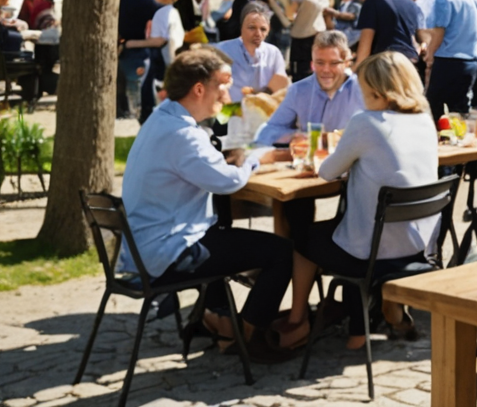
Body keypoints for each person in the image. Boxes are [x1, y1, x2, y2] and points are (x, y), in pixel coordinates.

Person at [122, 47, 305, 362]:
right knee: (281, 252)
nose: (228, 91)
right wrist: (254, 159)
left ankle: (219, 321)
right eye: (223, 83)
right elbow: (230, 181)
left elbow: (204, 169)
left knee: (223, 231)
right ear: (198, 89)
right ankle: (248, 336)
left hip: (144, 247)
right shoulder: (183, 134)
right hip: (168, 253)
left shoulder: (163, 117)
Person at [279, 52, 440, 349]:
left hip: (369, 254)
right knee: (352, 222)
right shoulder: (424, 121)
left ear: (378, 92)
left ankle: (298, 319)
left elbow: (327, 172)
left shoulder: (366, 122)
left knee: (304, 238)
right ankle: (368, 319)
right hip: (418, 248)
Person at [256, 30, 364, 146]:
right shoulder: (298, 90)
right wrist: (295, 136)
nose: (326, 70)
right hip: (307, 159)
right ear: (312, 63)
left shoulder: (364, 90)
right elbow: (267, 131)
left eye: (333, 63)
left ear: (346, 63)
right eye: (320, 63)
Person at [420, 0, 477, 121]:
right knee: (460, 109)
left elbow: (439, 31)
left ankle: (439, 141)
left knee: (434, 107)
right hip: (471, 60)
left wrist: (430, 53)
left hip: (447, 60)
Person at [353, 0, 421, 67]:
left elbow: (366, 40)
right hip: (408, 61)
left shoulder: (373, 1)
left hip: (383, 63)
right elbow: (416, 35)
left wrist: (356, 69)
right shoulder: (410, 2)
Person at [223, 2, 289, 102]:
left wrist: (262, 96)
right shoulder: (224, 50)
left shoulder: (273, 53)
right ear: (241, 27)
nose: (258, 34)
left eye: (263, 29)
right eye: (252, 28)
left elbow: (281, 84)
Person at [287, 0, 330, 81]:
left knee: (299, 72)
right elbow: (326, 11)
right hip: (317, 33)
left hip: (299, 33)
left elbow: (291, 12)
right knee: (315, 68)